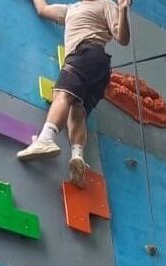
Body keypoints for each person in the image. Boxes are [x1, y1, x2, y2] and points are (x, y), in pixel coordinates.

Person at [18, 0, 131, 187]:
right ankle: (77, 157)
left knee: (62, 94)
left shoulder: (106, 4)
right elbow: (43, 10)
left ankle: (46, 138)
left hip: (85, 54)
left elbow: (122, 38)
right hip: (99, 68)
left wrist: (123, 10)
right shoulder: (70, 9)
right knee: (77, 110)